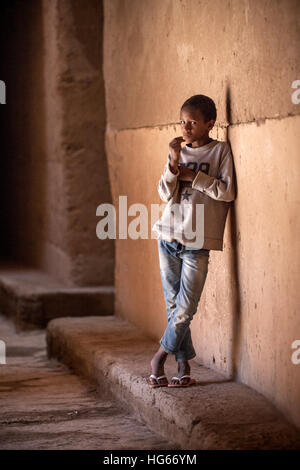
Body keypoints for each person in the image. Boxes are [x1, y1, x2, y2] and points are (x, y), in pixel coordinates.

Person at [149, 94, 236, 388]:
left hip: (197, 240)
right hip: (168, 236)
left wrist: (194, 176)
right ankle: (183, 365)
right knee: (174, 306)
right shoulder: (179, 153)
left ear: (209, 124)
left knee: (186, 307)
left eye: (193, 122)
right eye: (183, 121)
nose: (186, 128)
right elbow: (164, 194)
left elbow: (227, 192)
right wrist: (174, 163)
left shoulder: (220, 151)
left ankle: (159, 356)